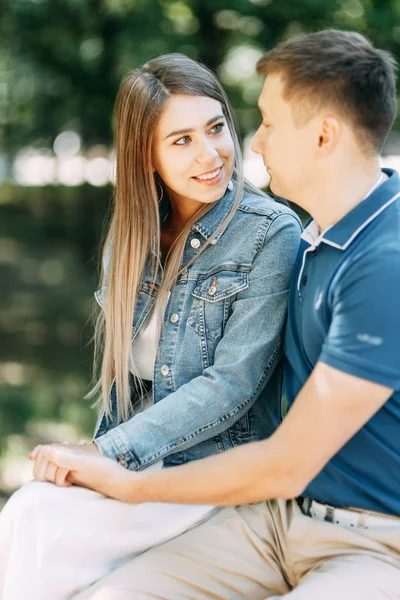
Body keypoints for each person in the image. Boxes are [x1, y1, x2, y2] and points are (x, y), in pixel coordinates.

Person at [34, 29, 400, 600]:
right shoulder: (321, 240)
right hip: (282, 521)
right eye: (181, 139)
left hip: (370, 537)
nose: (251, 146)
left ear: (324, 135)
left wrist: (120, 473)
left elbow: (278, 450)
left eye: (269, 124)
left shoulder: (377, 263)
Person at [0, 54, 301, 599]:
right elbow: (127, 384)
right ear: (148, 156)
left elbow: (233, 384)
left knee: (34, 525)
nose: (210, 155)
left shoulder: (270, 233)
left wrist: (108, 453)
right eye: (181, 140)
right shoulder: (132, 238)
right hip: (138, 466)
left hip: (211, 476)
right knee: (30, 518)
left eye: (215, 129)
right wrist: (100, 455)